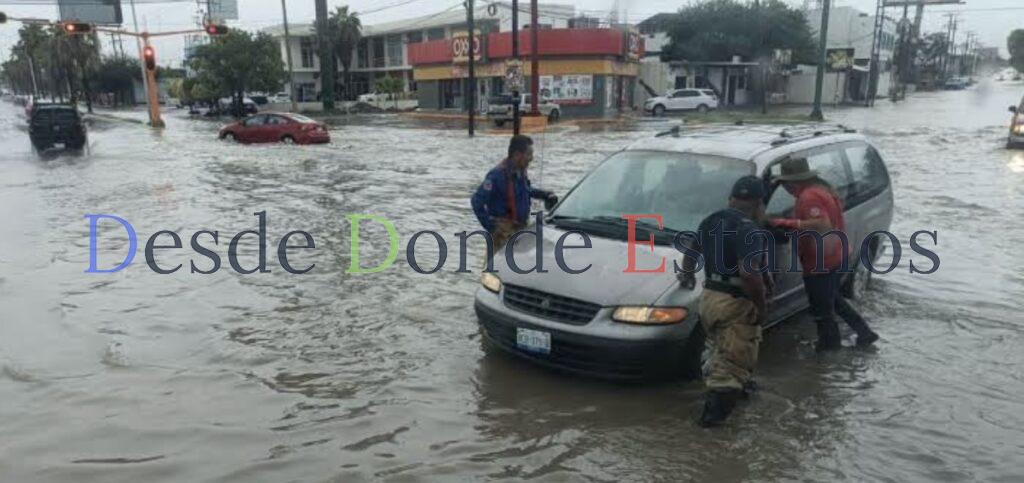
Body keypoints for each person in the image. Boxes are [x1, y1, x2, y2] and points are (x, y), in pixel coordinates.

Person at [679, 176, 769, 428]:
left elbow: (691, 252)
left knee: (721, 352)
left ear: (731, 199)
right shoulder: (749, 229)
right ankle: (710, 434)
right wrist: (761, 307)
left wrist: (686, 277)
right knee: (730, 368)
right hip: (734, 301)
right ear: (759, 203)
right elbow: (749, 274)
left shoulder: (712, 219)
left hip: (709, 298)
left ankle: (739, 394)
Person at [768, 157, 879, 351]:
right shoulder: (821, 190)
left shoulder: (808, 197)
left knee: (822, 310)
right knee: (833, 300)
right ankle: (865, 334)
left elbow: (822, 224)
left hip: (822, 262)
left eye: (783, 183)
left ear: (792, 182)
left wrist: (784, 223)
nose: (783, 188)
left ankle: (829, 350)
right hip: (835, 256)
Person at [470, 135, 557, 253]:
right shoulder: (496, 175)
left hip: (520, 229)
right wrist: (492, 227)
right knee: (499, 268)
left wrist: (544, 194)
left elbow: (525, 190)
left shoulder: (520, 172)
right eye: (528, 154)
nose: (531, 158)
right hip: (503, 233)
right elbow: (477, 202)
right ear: (517, 155)